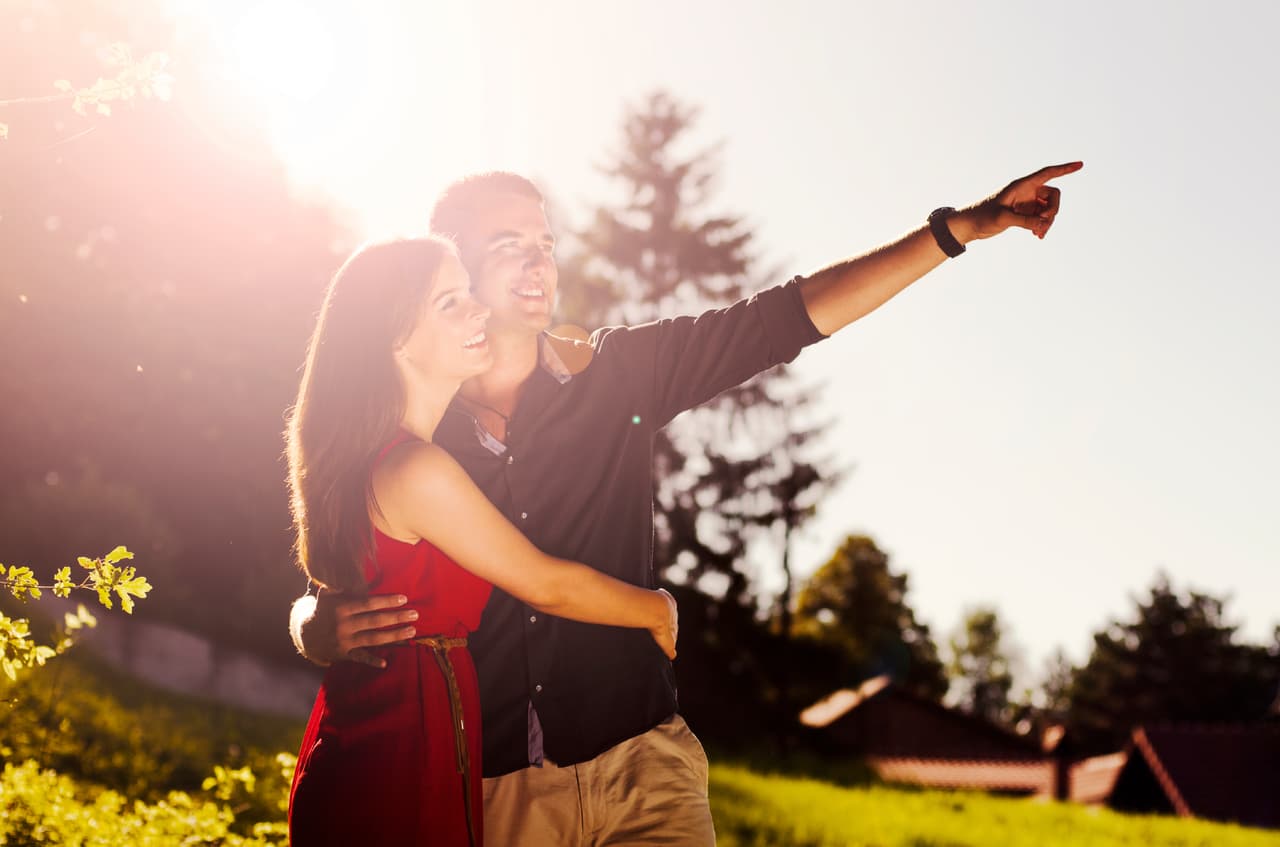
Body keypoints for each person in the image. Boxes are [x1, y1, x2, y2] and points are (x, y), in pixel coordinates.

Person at [292, 161, 1083, 845]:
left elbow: (786, 317)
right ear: (450, 266)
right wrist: (314, 621)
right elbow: (342, 556)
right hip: (496, 794)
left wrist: (957, 230)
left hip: (645, 763)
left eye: (546, 246)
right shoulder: (416, 425)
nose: (539, 267)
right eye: (509, 248)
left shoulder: (621, 374)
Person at [283, 235, 679, 847]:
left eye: (469, 294)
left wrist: (310, 619)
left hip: (385, 731)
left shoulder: (377, 456)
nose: (479, 312)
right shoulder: (417, 470)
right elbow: (544, 583)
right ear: (395, 338)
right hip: (400, 751)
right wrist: (657, 608)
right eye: (449, 302)